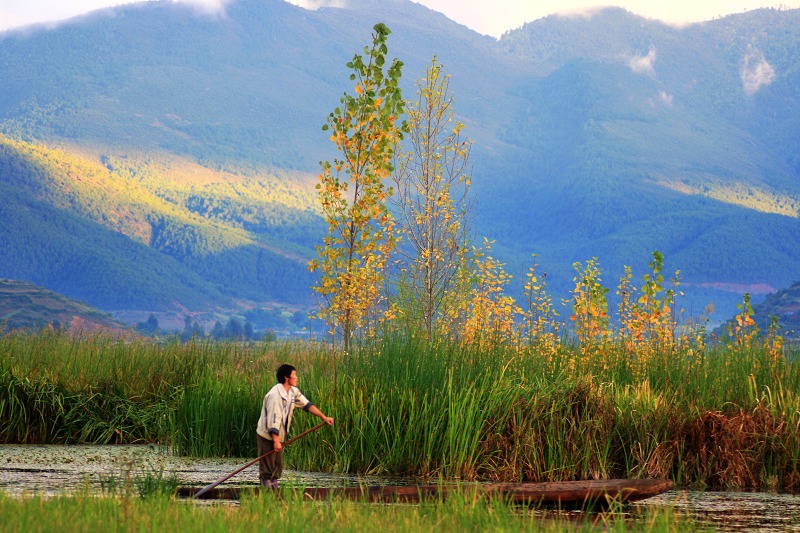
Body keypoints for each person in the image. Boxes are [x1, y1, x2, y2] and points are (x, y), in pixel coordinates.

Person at [256, 364, 334, 488]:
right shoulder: (275, 395)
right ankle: (266, 493)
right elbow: (273, 421)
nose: (297, 378)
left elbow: (307, 405)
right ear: (287, 377)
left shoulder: (293, 392)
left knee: (277, 465)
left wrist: (323, 417)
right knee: (267, 468)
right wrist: (276, 441)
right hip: (267, 435)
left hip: (279, 435)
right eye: (294, 375)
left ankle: (274, 490)